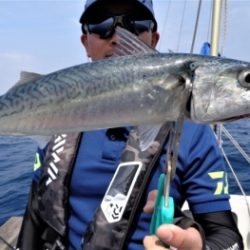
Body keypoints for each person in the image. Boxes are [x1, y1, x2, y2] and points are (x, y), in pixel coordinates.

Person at [16, 0, 243, 250]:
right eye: (102, 25)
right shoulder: (58, 116)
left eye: (135, 24)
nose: (117, 37)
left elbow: (226, 236)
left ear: (154, 39)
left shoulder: (192, 133)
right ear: (85, 43)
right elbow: (36, 213)